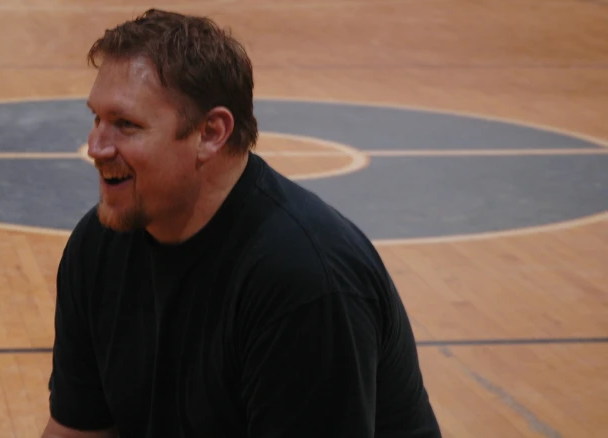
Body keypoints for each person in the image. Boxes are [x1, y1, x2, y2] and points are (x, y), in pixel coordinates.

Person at [42, 8, 442, 438]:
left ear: (211, 133)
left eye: (125, 125)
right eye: (96, 119)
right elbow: (77, 430)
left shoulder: (302, 280)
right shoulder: (99, 245)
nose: (96, 147)